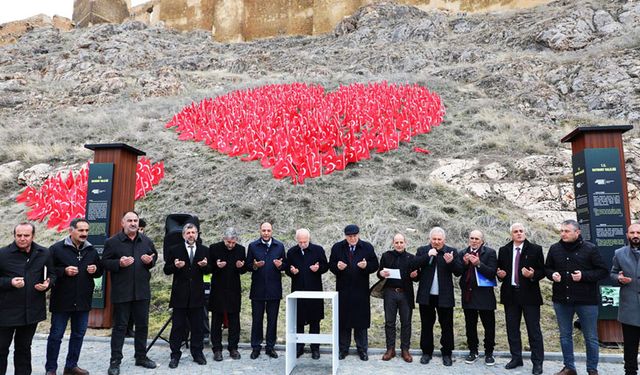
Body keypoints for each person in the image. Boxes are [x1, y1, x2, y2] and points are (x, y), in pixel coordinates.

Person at [545, 219, 608, 375]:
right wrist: (552, 274)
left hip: (586, 301)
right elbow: (547, 268)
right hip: (562, 300)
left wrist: (584, 276)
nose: (563, 234)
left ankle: (592, 369)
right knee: (565, 336)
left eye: (567, 231)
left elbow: (603, 271)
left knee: (591, 337)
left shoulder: (590, 249)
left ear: (577, 232)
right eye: (561, 231)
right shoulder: (554, 249)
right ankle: (569, 368)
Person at [102, 211, 158, 375]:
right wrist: (118, 262)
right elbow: (104, 262)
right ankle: (115, 361)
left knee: (142, 326)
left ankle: (141, 356)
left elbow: (153, 257)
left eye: (135, 220)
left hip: (142, 291)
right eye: (130, 220)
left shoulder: (146, 241)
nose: (133, 223)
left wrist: (151, 261)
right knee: (120, 327)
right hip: (122, 291)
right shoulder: (112, 242)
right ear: (123, 223)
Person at [45, 218, 103, 375]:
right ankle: (51, 369)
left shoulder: (91, 250)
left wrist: (95, 269)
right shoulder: (56, 249)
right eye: (81, 230)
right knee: (56, 336)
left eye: (86, 231)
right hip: (62, 300)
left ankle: (71, 366)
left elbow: (100, 270)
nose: (84, 234)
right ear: (71, 230)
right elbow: (48, 272)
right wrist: (64, 271)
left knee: (78, 335)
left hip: (83, 300)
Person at [0, 222, 55, 375]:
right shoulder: (3, 254)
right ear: (14, 235)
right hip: (6, 312)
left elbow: (53, 274)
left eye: (26, 235)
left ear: (33, 236)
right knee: (1, 349)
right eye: (19, 235)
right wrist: (9, 282)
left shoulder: (44, 252)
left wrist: (47, 284)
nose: (22, 238)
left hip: (31, 311)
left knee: (24, 349)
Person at [496, 223, 545, 375]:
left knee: (533, 330)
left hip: (530, 295)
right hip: (510, 295)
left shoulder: (535, 249)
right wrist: (500, 275)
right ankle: (516, 358)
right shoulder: (504, 250)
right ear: (511, 234)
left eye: (521, 231)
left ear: (525, 233)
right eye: (515, 231)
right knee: (512, 329)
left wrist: (533, 275)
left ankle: (537, 363)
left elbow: (542, 271)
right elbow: (500, 270)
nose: (518, 233)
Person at [411, 226, 461, 366]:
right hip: (426, 296)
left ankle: (447, 353)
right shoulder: (423, 250)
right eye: (434, 239)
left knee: (446, 326)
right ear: (430, 239)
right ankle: (426, 352)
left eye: (439, 239)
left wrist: (451, 261)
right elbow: (414, 265)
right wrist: (428, 255)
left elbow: (458, 271)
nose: (437, 242)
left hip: (444, 296)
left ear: (444, 240)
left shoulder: (451, 251)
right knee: (426, 325)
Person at [329, 224, 379, 361]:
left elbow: (375, 264)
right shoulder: (337, 247)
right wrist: (337, 267)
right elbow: (331, 265)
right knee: (344, 321)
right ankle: (343, 349)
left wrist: (366, 266)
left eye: (355, 236)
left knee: (361, 322)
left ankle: (362, 349)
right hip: (343, 290)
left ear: (358, 235)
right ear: (345, 236)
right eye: (350, 236)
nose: (352, 239)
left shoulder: (367, 247)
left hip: (361, 290)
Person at [163, 223, 209, 368]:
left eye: (193, 232)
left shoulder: (204, 250)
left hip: (197, 295)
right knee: (178, 327)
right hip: (180, 295)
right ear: (183, 235)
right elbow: (166, 270)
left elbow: (210, 269)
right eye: (188, 232)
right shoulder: (174, 249)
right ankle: (175, 355)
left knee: (197, 327)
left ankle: (197, 353)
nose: (191, 235)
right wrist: (175, 266)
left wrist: (205, 266)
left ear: (197, 234)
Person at [285, 228, 329, 360]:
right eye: (300, 242)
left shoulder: (318, 250)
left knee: (315, 321)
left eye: (305, 241)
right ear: (296, 240)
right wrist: (291, 271)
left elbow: (325, 266)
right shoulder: (292, 252)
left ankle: (315, 348)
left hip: (314, 290)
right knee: (298, 320)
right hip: (298, 290)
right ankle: (299, 347)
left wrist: (318, 268)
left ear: (309, 239)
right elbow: (287, 268)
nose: (303, 244)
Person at [246, 222, 286, 359]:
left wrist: (281, 266)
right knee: (257, 319)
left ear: (272, 231)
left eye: (268, 230)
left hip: (274, 289)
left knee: (272, 320)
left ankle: (270, 347)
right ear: (260, 231)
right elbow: (247, 265)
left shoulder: (279, 246)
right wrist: (255, 265)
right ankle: (256, 347)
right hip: (257, 289)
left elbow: (285, 264)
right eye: (264, 230)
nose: (266, 233)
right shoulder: (253, 246)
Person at [377, 233, 418, 363]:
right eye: (397, 242)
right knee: (389, 322)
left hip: (406, 294)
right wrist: (381, 273)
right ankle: (390, 349)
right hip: (390, 293)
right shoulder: (386, 256)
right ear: (393, 243)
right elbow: (379, 273)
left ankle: (405, 350)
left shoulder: (411, 257)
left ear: (405, 243)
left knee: (406, 322)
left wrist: (414, 275)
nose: (399, 245)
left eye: (401, 242)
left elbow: (417, 277)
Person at [459, 229, 498, 366]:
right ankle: (473, 351)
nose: (474, 241)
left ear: (482, 241)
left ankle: (489, 353)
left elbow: (492, 273)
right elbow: (458, 273)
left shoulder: (490, 253)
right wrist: (463, 264)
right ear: (468, 239)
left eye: (477, 239)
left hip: (485, 296)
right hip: (468, 295)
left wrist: (478, 264)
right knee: (470, 325)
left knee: (489, 326)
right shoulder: (463, 252)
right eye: (472, 238)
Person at [208, 228, 246, 361]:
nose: (231, 245)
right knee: (216, 321)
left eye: (233, 242)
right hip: (218, 290)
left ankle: (233, 348)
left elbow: (243, 270)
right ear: (224, 239)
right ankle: (217, 349)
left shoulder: (241, 249)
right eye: (228, 242)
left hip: (234, 290)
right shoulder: (214, 248)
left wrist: (241, 266)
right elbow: (207, 269)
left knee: (235, 320)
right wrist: (216, 266)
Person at [611, 223, 640, 375]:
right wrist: (618, 278)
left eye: (638, 232)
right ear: (627, 235)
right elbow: (613, 273)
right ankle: (630, 371)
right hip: (629, 308)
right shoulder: (619, 253)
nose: (635, 235)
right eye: (632, 232)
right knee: (630, 346)